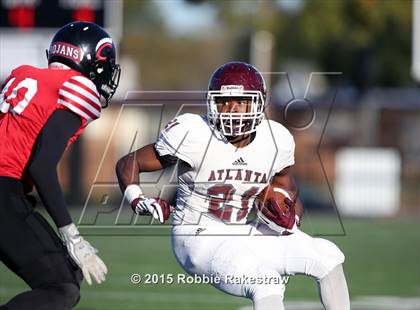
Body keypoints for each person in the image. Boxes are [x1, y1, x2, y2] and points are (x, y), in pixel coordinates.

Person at [115, 61, 349, 309]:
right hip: (198, 238)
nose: (232, 110)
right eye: (224, 102)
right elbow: (129, 163)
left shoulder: (276, 139)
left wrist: (290, 216)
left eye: (241, 101)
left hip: (243, 229)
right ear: (212, 103)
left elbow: (286, 188)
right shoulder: (194, 133)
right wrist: (138, 200)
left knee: (327, 256)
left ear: (258, 103)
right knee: (266, 282)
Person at [0, 21, 120, 309]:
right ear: (94, 62)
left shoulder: (21, 75)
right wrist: (72, 235)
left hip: (9, 190)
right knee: (62, 287)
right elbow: (41, 167)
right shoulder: (79, 87)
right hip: (4, 190)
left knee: (65, 278)